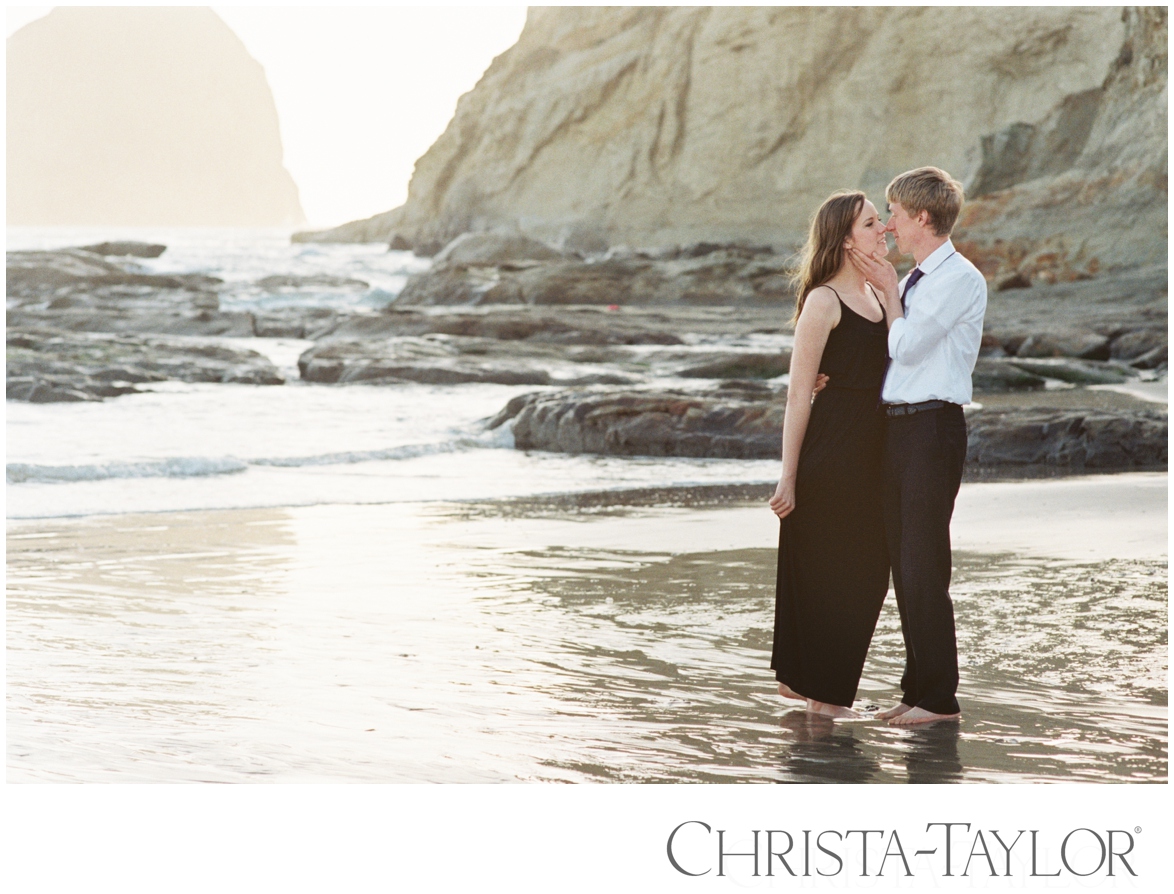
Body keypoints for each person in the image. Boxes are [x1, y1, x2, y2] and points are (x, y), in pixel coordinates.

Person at [848, 166, 987, 726]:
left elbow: (905, 347)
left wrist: (885, 291)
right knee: (904, 566)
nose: (890, 227)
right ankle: (917, 690)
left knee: (924, 564)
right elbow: (885, 350)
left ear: (923, 217)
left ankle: (938, 700)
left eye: (897, 215)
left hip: (933, 429)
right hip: (901, 429)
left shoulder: (958, 278)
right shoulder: (914, 280)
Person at [769, 190, 892, 720]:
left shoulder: (884, 296)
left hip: (876, 457)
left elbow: (903, 362)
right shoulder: (822, 301)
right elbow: (798, 394)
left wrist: (894, 296)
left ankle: (822, 693)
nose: (883, 230)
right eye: (871, 224)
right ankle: (826, 700)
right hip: (831, 459)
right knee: (835, 577)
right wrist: (788, 478)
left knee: (869, 575)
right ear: (845, 238)